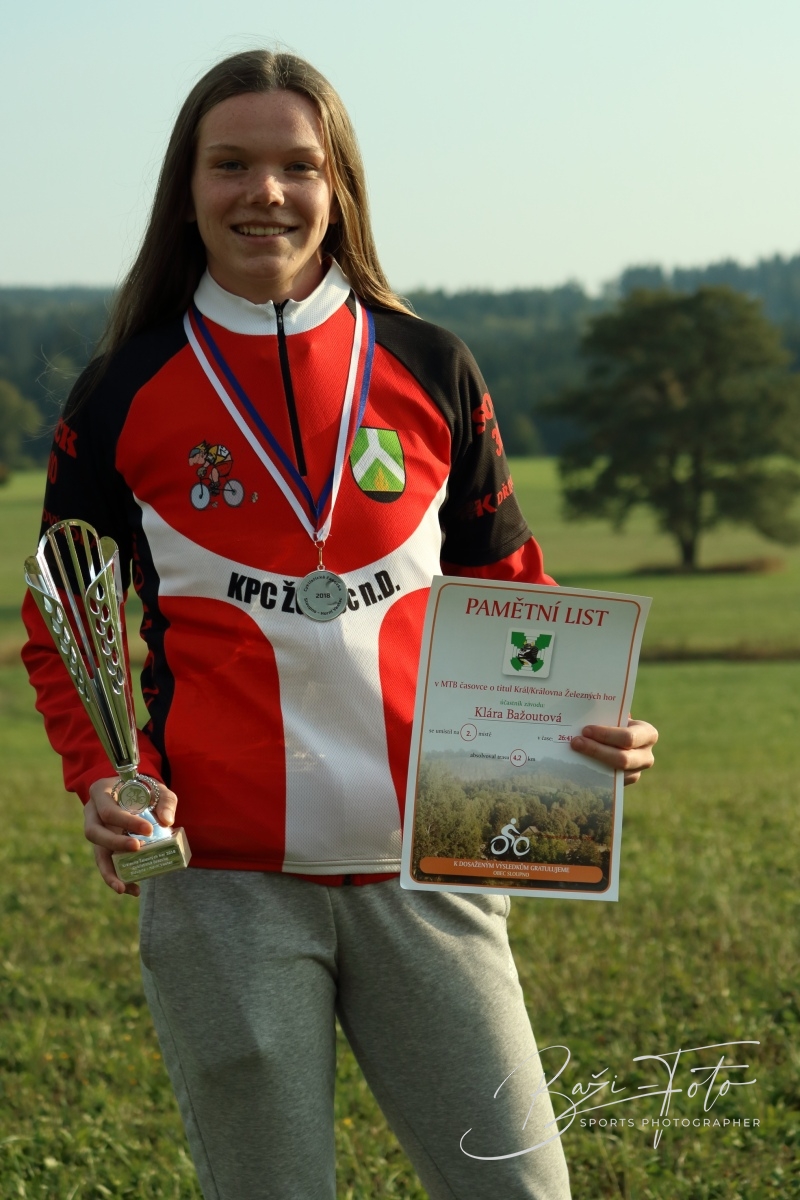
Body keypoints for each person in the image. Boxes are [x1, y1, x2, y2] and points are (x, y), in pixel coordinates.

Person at [22, 50, 658, 1200]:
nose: (264, 192)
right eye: (230, 164)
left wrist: (585, 723)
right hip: (222, 884)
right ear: (186, 189)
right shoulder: (121, 388)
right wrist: (102, 775)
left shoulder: (429, 364)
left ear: (338, 187)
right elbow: (64, 615)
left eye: (297, 166)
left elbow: (510, 589)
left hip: (428, 871)